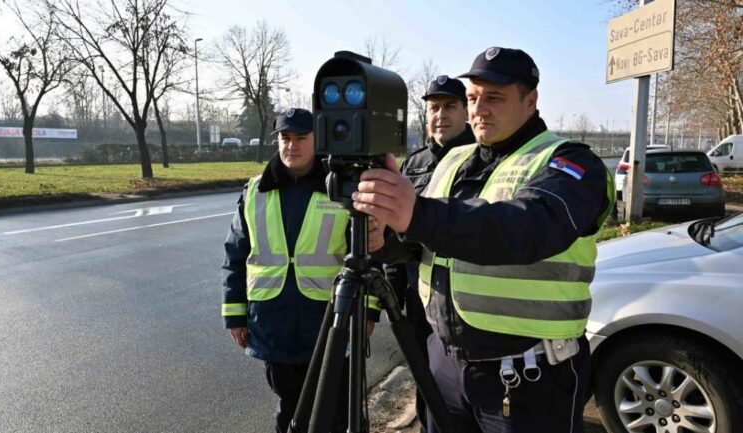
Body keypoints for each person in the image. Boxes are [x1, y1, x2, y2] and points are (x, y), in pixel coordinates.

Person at [352, 47, 614, 433]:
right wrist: (386, 239)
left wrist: (416, 214)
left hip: (529, 372)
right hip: (444, 362)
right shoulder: (455, 159)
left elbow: (528, 229)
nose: (479, 109)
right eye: (473, 98)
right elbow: (428, 248)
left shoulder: (570, 162)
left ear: (531, 101)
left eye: (494, 97)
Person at [221, 107, 379, 433]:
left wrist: (369, 313)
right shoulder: (254, 192)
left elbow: (369, 254)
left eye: (300, 138)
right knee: (290, 410)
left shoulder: (341, 189)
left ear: (316, 141)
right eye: (284, 138)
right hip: (273, 324)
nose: (291, 146)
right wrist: (235, 315)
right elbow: (236, 256)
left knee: (335, 413)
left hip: (328, 323)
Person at [384, 75, 474, 433]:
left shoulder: (482, 158)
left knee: (463, 391)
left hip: (465, 302)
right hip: (416, 297)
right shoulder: (414, 163)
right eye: (434, 108)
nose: (440, 115)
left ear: (467, 111)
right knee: (425, 382)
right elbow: (394, 238)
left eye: (450, 106)